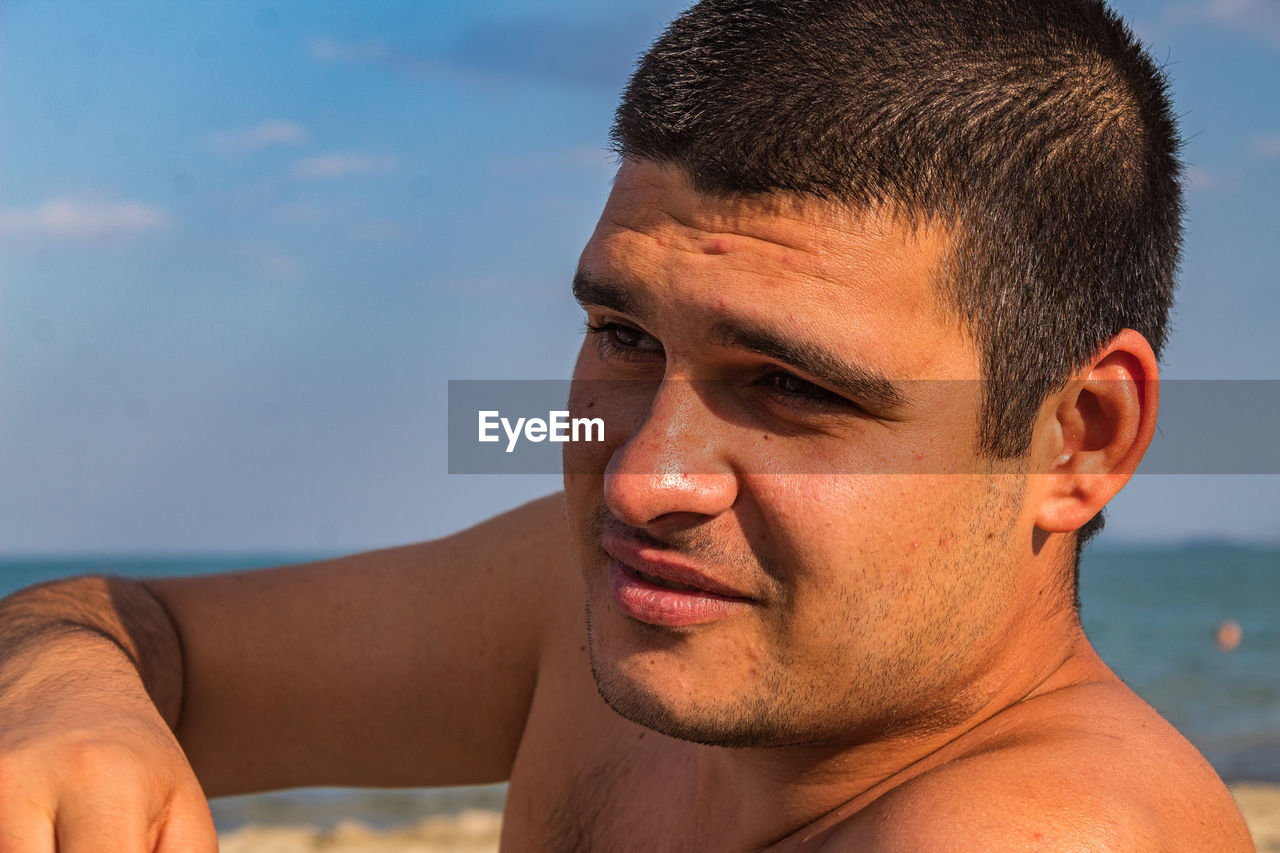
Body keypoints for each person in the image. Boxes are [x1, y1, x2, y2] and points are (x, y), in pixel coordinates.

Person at [0, 0, 1256, 849]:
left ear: (1079, 438)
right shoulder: (606, 611)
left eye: (792, 388)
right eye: (625, 338)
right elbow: (132, 629)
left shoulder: (1046, 830)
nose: (644, 479)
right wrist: (66, 695)